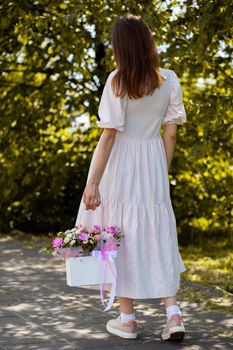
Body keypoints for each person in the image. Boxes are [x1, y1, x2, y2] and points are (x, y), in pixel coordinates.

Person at [75, 13, 187, 341]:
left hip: (121, 163)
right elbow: (171, 135)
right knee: (158, 232)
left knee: (117, 233)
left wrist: (92, 182)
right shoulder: (169, 79)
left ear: (121, 48)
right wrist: (160, 171)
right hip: (153, 160)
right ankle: (173, 314)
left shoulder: (117, 81)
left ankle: (128, 319)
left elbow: (108, 135)